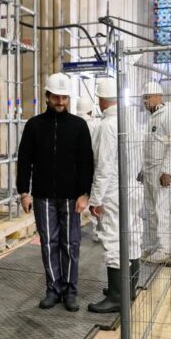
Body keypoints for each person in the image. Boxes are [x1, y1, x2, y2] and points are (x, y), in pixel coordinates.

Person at [16, 73, 94, 312]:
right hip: (43, 197)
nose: (61, 102)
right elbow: (24, 160)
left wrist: (84, 193)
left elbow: (86, 162)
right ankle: (53, 289)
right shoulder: (34, 125)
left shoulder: (79, 126)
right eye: (56, 97)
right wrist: (24, 192)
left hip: (72, 197)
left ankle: (70, 291)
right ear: (47, 97)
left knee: (71, 243)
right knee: (48, 243)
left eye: (64, 97)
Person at [86, 78, 143, 313]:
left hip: (113, 192)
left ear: (100, 100)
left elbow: (104, 167)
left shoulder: (107, 125)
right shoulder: (131, 120)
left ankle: (117, 297)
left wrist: (95, 200)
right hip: (132, 187)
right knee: (132, 236)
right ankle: (129, 287)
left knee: (113, 241)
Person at [139, 81, 171, 264]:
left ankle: (164, 249)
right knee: (150, 210)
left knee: (161, 210)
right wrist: (142, 168)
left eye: (147, 98)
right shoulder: (152, 118)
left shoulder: (170, 117)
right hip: (149, 170)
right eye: (144, 98)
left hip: (161, 172)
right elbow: (149, 146)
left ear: (158, 96)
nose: (145, 102)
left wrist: (166, 171)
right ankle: (155, 245)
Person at [76, 96, 101, 242]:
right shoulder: (96, 125)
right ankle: (97, 231)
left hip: (76, 170)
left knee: (77, 200)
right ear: (90, 111)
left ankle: (75, 228)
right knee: (95, 200)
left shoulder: (73, 123)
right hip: (92, 166)